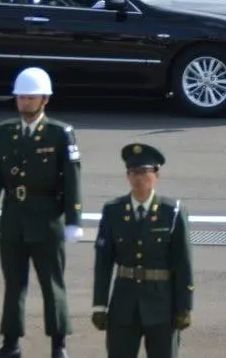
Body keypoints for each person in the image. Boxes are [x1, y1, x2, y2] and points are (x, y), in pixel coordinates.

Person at [0, 67, 83, 358]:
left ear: (44, 99)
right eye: (20, 97)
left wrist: (74, 220)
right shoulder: (3, 133)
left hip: (47, 217)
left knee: (52, 284)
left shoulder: (60, 134)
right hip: (13, 219)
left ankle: (59, 344)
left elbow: (72, 180)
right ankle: (11, 343)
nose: (24, 102)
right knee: (13, 284)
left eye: (30, 97)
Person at [92, 143, 193, 358]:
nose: (138, 178)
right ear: (127, 176)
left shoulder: (172, 212)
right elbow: (103, 262)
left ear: (157, 174)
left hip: (161, 304)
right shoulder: (113, 211)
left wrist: (184, 306)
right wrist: (99, 305)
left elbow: (183, 262)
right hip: (123, 303)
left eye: (144, 172)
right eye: (132, 172)